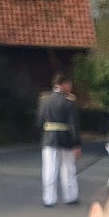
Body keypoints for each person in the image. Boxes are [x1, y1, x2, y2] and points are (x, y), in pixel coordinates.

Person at [37, 74, 80, 206]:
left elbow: (39, 122)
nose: (70, 87)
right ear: (62, 84)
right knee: (68, 170)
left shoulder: (44, 101)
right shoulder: (69, 103)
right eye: (69, 84)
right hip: (66, 140)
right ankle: (70, 197)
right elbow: (73, 125)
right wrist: (76, 144)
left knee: (49, 170)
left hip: (49, 139)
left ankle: (49, 199)